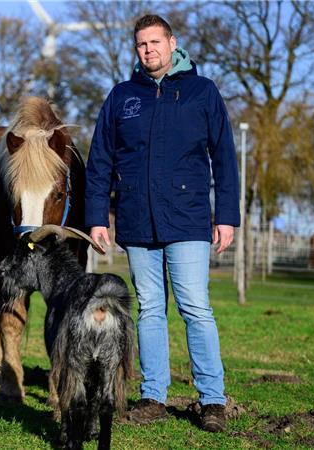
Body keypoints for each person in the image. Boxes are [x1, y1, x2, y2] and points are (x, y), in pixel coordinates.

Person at [85, 15, 240, 433]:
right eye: (141, 44)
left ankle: (211, 399)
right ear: (135, 49)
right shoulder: (122, 96)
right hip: (136, 221)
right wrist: (97, 217)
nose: (148, 50)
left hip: (188, 220)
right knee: (150, 309)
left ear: (172, 43)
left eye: (155, 42)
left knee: (195, 308)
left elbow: (224, 157)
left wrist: (226, 216)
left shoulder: (202, 92)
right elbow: (100, 160)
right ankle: (153, 395)